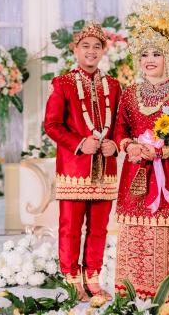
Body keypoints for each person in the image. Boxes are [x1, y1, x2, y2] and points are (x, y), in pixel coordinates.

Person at [113, 1, 169, 304]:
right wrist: (130, 146)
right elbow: (119, 130)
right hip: (135, 173)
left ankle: (164, 303)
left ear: (168, 57)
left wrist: (161, 151)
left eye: (156, 54)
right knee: (133, 235)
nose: (149, 60)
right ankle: (128, 300)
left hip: (167, 177)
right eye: (145, 54)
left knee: (164, 236)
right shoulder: (129, 93)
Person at [44, 22, 121, 301]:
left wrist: (115, 144)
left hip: (105, 169)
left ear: (103, 51)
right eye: (85, 46)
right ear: (75, 49)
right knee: (70, 228)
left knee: (99, 228)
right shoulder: (63, 84)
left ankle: (93, 279)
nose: (91, 51)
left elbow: (120, 124)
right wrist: (79, 143)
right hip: (74, 169)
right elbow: (52, 125)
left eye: (96, 46)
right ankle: (72, 280)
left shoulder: (113, 86)